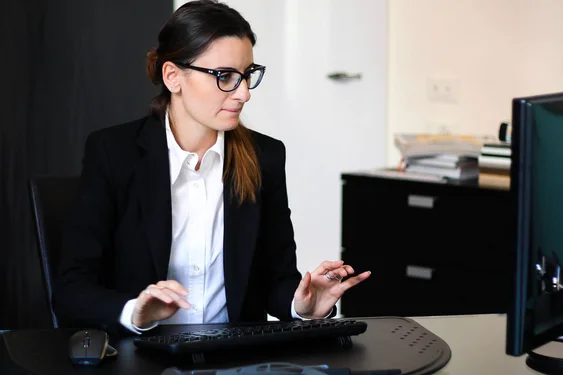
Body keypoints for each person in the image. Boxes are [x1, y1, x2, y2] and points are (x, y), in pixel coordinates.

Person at [53, 0, 370, 334]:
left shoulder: (265, 156)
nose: (244, 93)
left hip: (233, 357)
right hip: (142, 357)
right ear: (173, 76)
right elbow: (72, 290)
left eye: (247, 75)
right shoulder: (113, 153)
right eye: (225, 76)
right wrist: (136, 312)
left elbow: (274, 279)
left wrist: (302, 305)